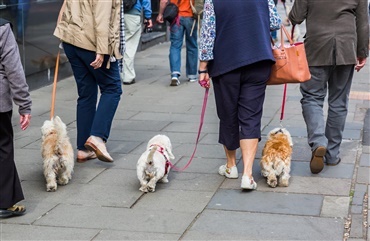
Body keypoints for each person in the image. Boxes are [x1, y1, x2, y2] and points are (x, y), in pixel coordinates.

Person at [198, 0, 279, 189]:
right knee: (251, 117)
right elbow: (274, 21)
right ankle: (248, 175)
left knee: (228, 114)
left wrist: (203, 67)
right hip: (258, 60)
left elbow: (208, 35)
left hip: (227, 63)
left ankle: (231, 165)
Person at [289, 0, 369, 174]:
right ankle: (332, 154)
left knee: (311, 97)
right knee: (339, 102)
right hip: (346, 47)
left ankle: (318, 141)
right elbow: (363, 21)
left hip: (316, 47)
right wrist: (362, 52)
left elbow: (296, 17)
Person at [54, 0, 123, 163]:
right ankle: (97, 137)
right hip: (90, 44)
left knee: (86, 93)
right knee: (112, 88)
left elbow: (66, 6)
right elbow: (102, 17)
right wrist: (101, 50)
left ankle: (84, 150)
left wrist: (62, 34)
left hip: (71, 41)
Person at [0, 18, 32, 218]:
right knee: (3, 148)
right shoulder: (2, 28)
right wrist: (24, 104)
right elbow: (14, 69)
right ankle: (4, 202)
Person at [157, 0, 198, 86]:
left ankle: (175, 75)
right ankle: (192, 75)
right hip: (191, 17)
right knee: (192, 46)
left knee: (175, 46)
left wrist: (160, 14)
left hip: (176, 18)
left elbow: (163, 1)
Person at [121, 0, 153, 85]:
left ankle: (115, 73)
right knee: (130, 44)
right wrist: (148, 16)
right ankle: (128, 76)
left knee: (117, 43)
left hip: (115, 14)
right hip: (133, 14)